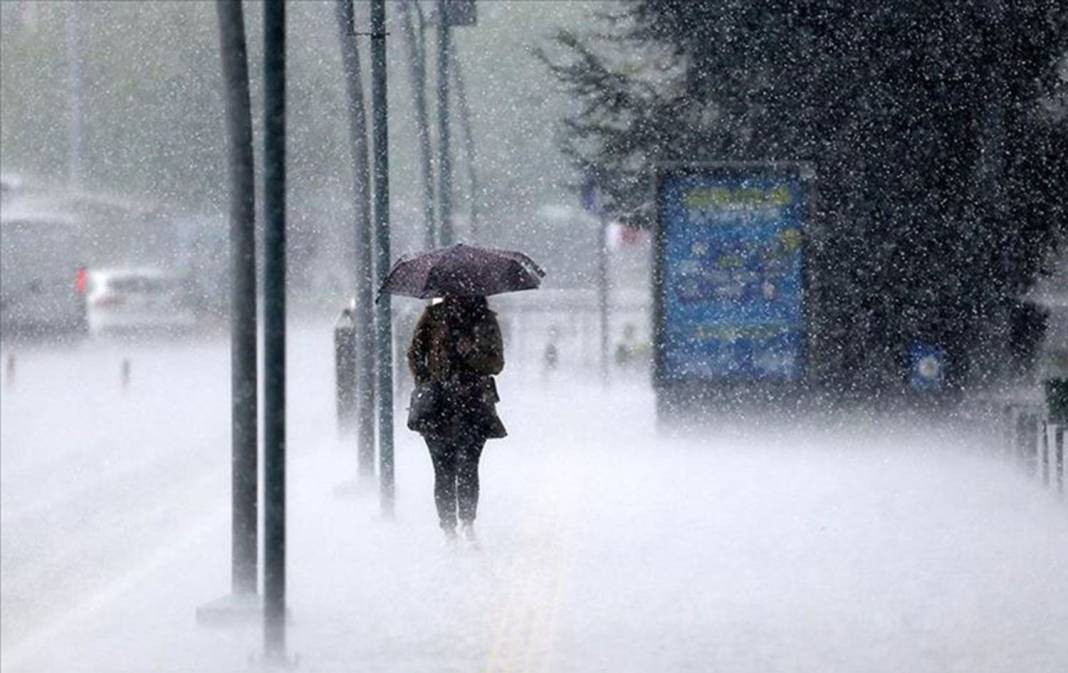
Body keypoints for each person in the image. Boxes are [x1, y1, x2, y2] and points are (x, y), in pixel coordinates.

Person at [407, 295, 506, 546]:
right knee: (443, 469)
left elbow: (496, 364)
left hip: (474, 404)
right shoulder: (433, 317)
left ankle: (467, 523)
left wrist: (471, 353)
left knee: (468, 466)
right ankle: (449, 529)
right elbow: (414, 353)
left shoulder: (485, 320)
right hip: (438, 406)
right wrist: (426, 381)